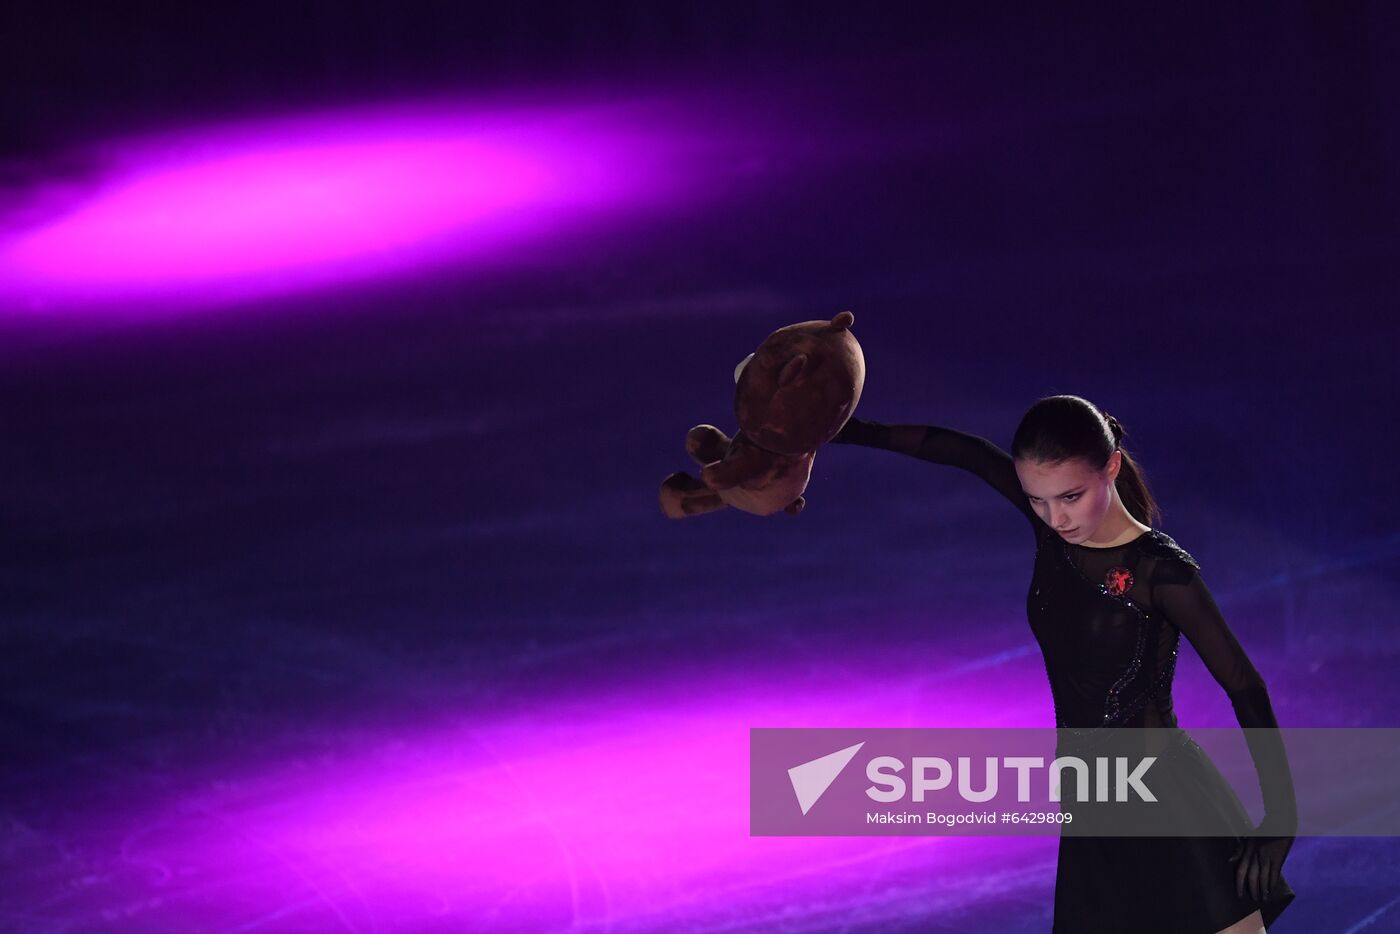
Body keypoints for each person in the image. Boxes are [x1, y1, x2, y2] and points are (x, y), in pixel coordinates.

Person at [831, 395, 1297, 934]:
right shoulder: (1051, 534)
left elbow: (1243, 683)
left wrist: (1281, 817)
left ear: (1112, 467)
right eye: (1037, 500)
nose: (1056, 517)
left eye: (1071, 497)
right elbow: (960, 449)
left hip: (1168, 802)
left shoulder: (1160, 573)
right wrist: (840, 430)